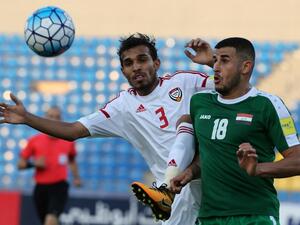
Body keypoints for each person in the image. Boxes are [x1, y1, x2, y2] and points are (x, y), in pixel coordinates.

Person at [0, 33, 215, 225]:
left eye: (142, 59)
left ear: (156, 63)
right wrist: (27, 117)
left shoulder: (184, 82)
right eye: (128, 63)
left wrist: (214, 60)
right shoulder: (122, 107)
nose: (136, 67)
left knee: (186, 122)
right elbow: (75, 130)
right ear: (123, 71)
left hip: (210, 175)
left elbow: (233, 88)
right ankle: (166, 191)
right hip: (180, 192)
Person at [168, 37, 300, 225]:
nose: (215, 66)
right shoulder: (200, 103)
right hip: (209, 217)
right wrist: (189, 173)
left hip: (255, 216)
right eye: (215, 60)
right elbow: (206, 156)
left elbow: (297, 160)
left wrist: (258, 169)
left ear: (245, 67)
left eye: (224, 60)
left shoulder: (267, 105)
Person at [18, 106, 82, 225]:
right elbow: (20, 165)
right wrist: (34, 164)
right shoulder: (34, 140)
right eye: (51, 116)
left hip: (59, 186)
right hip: (40, 188)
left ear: (61, 119)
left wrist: (76, 177)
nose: (54, 120)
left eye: (57, 117)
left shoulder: (67, 141)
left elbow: (72, 160)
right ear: (45, 118)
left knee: (50, 220)